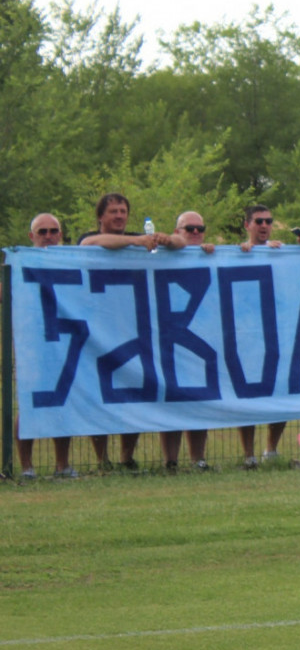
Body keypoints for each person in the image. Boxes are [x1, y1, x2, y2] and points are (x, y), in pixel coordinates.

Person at [77, 192, 172, 471]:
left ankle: (126, 458)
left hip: (129, 327)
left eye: (123, 211)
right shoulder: (92, 239)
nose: (119, 216)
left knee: (133, 394)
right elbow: (93, 243)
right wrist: (136, 241)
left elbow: (176, 244)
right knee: (100, 396)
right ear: (100, 217)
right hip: (95, 329)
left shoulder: (137, 239)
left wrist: (168, 239)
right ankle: (102, 459)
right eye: (113, 212)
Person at [236, 204, 300, 467]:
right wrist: (245, 255)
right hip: (246, 336)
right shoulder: (235, 254)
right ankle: (249, 455)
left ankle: (271, 450)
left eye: (268, 221)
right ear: (247, 225)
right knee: (247, 396)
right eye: (258, 221)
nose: (264, 226)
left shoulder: (278, 251)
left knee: (280, 392)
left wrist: (291, 250)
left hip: (277, 334)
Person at [16, 213, 77, 479]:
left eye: (54, 231)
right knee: (29, 405)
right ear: (32, 237)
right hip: (32, 344)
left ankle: (62, 466)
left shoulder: (71, 262)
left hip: (64, 341)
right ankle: (26, 467)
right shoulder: (20, 264)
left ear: (61, 235)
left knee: (62, 403)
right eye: (43, 232)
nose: (49, 236)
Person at [167, 211, 216, 472]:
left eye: (201, 228)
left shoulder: (210, 256)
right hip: (167, 334)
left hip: (199, 334)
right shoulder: (166, 255)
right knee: (171, 398)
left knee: (198, 396)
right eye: (190, 228)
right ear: (177, 231)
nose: (196, 232)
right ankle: (170, 461)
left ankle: (198, 458)